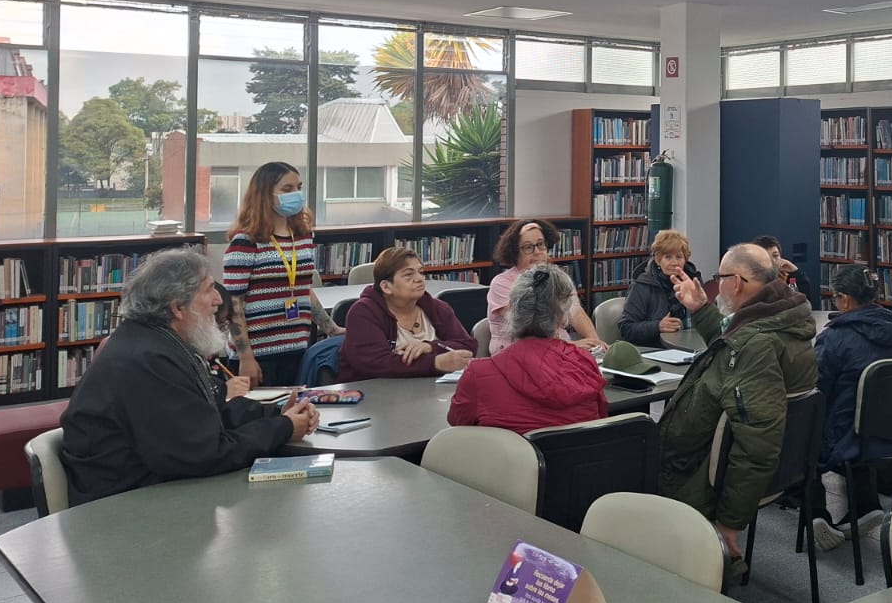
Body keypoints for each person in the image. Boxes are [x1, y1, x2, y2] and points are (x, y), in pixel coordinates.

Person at [61, 248, 318, 506]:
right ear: (178, 308)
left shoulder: (158, 344)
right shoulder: (149, 361)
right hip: (125, 509)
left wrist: (276, 414)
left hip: (153, 493)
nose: (218, 299)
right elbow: (206, 454)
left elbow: (211, 411)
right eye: (208, 290)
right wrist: (282, 428)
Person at [658, 243, 817, 565]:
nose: (717, 284)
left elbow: (757, 443)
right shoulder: (779, 318)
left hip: (693, 475)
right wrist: (701, 308)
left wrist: (730, 523)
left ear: (738, 282)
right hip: (771, 469)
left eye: (721, 276)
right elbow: (732, 339)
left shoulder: (756, 346)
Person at [810, 264, 892, 549]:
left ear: (844, 299)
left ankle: (816, 512)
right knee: (858, 413)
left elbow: (816, 387)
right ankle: (866, 505)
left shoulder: (834, 338)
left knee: (804, 425)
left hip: (847, 436)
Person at [447, 265, 609, 433]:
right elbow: (601, 417)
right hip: (579, 458)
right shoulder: (585, 364)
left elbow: (458, 423)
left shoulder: (477, 375)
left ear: (513, 312)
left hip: (511, 458)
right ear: (562, 317)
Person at [222, 162, 338, 387]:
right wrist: (246, 357)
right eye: (287, 189)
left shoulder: (303, 236)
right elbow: (234, 303)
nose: (296, 194)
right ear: (265, 194)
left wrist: (330, 328)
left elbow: (303, 289)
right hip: (258, 355)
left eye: (298, 187)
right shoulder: (245, 241)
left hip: (297, 348)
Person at [336, 246, 475, 380]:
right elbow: (376, 364)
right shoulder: (363, 312)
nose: (419, 279)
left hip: (430, 392)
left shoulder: (436, 307)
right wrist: (435, 363)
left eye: (421, 272)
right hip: (374, 394)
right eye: (408, 275)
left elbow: (468, 346)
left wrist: (430, 346)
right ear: (386, 286)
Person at [485, 218, 601, 356]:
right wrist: (570, 346)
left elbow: (575, 311)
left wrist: (596, 343)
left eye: (541, 244)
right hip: (517, 355)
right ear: (515, 252)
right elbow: (527, 326)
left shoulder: (557, 277)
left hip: (560, 351)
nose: (537, 251)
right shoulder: (501, 283)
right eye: (528, 247)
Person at [617, 229, 701, 347]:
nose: (675, 262)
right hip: (656, 349)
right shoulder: (642, 285)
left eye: (679, 257)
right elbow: (626, 328)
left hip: (692, 346)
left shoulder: (693, 281)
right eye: (668, 257)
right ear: (658, 260)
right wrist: (657, 326)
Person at [753, 234, 816, 307]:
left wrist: (795, 272)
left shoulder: (785, 276)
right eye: (766, 257)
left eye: (775, 256)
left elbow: (805, 303)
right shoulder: (751, 281)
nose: (773, 261)